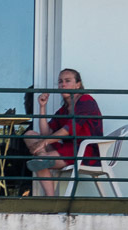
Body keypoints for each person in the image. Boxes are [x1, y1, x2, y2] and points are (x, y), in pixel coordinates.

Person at [24, 68, 103, 198]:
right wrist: (42, 107)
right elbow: (46, 132)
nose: (63, 85)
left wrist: (44, 143)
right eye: (60, 82)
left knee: (39, 161)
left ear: (78, 84)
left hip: (85, 151)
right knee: (30, 134)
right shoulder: (63, 110)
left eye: (67, 81)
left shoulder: (86, 100)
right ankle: (43, 158)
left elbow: (69, 129)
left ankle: (49, 199)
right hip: (67, 149)